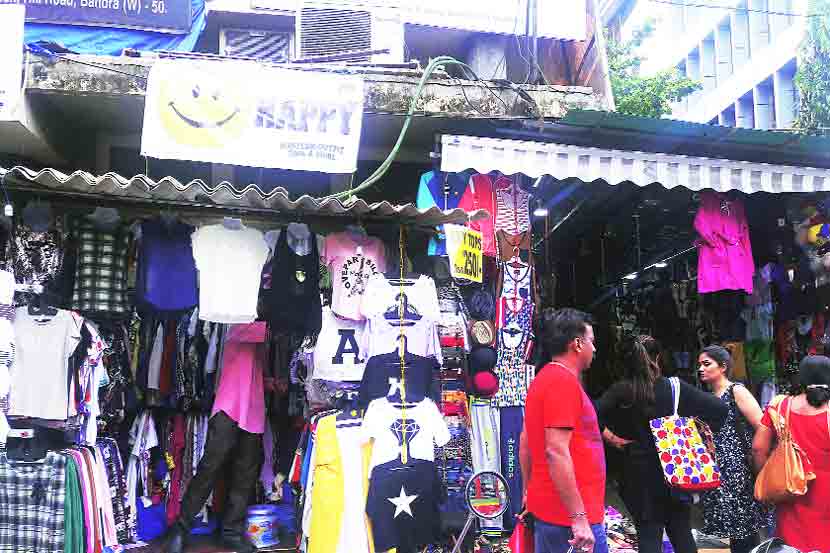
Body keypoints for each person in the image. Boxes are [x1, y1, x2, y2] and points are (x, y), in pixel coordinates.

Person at [596, 335, 727, 553]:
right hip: (675, 470)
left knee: (648, 533)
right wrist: (692, 430)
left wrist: (613, 439)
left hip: (637, 474)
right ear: (657, 358)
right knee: (681, 531)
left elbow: (589, 414)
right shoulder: (675, 388)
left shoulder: (621, 391)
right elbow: (720, 411)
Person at [519, 308, 607, 553]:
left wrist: (529, 491)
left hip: (553, 512)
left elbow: (525, 441)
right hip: (569, 519)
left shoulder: (543, 378)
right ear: (577, 344)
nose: (595, 348)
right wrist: (579, 518)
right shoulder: (562, 382)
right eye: (592, 341)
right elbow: (555, 451)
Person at [697, 345, 771, 553]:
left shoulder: (736, 391)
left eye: (706, 364)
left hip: (738, 470)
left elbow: (761, 425)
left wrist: (757, 459)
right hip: (714, 471)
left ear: (723, 367)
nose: (701, 369)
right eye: (699, 365)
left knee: (743, 530)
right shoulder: (707, 396)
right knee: (721, 530)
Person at [752, 355, 830, 552]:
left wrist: (768, 480)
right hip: (825, 495)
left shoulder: (779, 405)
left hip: (790, 488)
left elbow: (758, 448)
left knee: (790, 544)